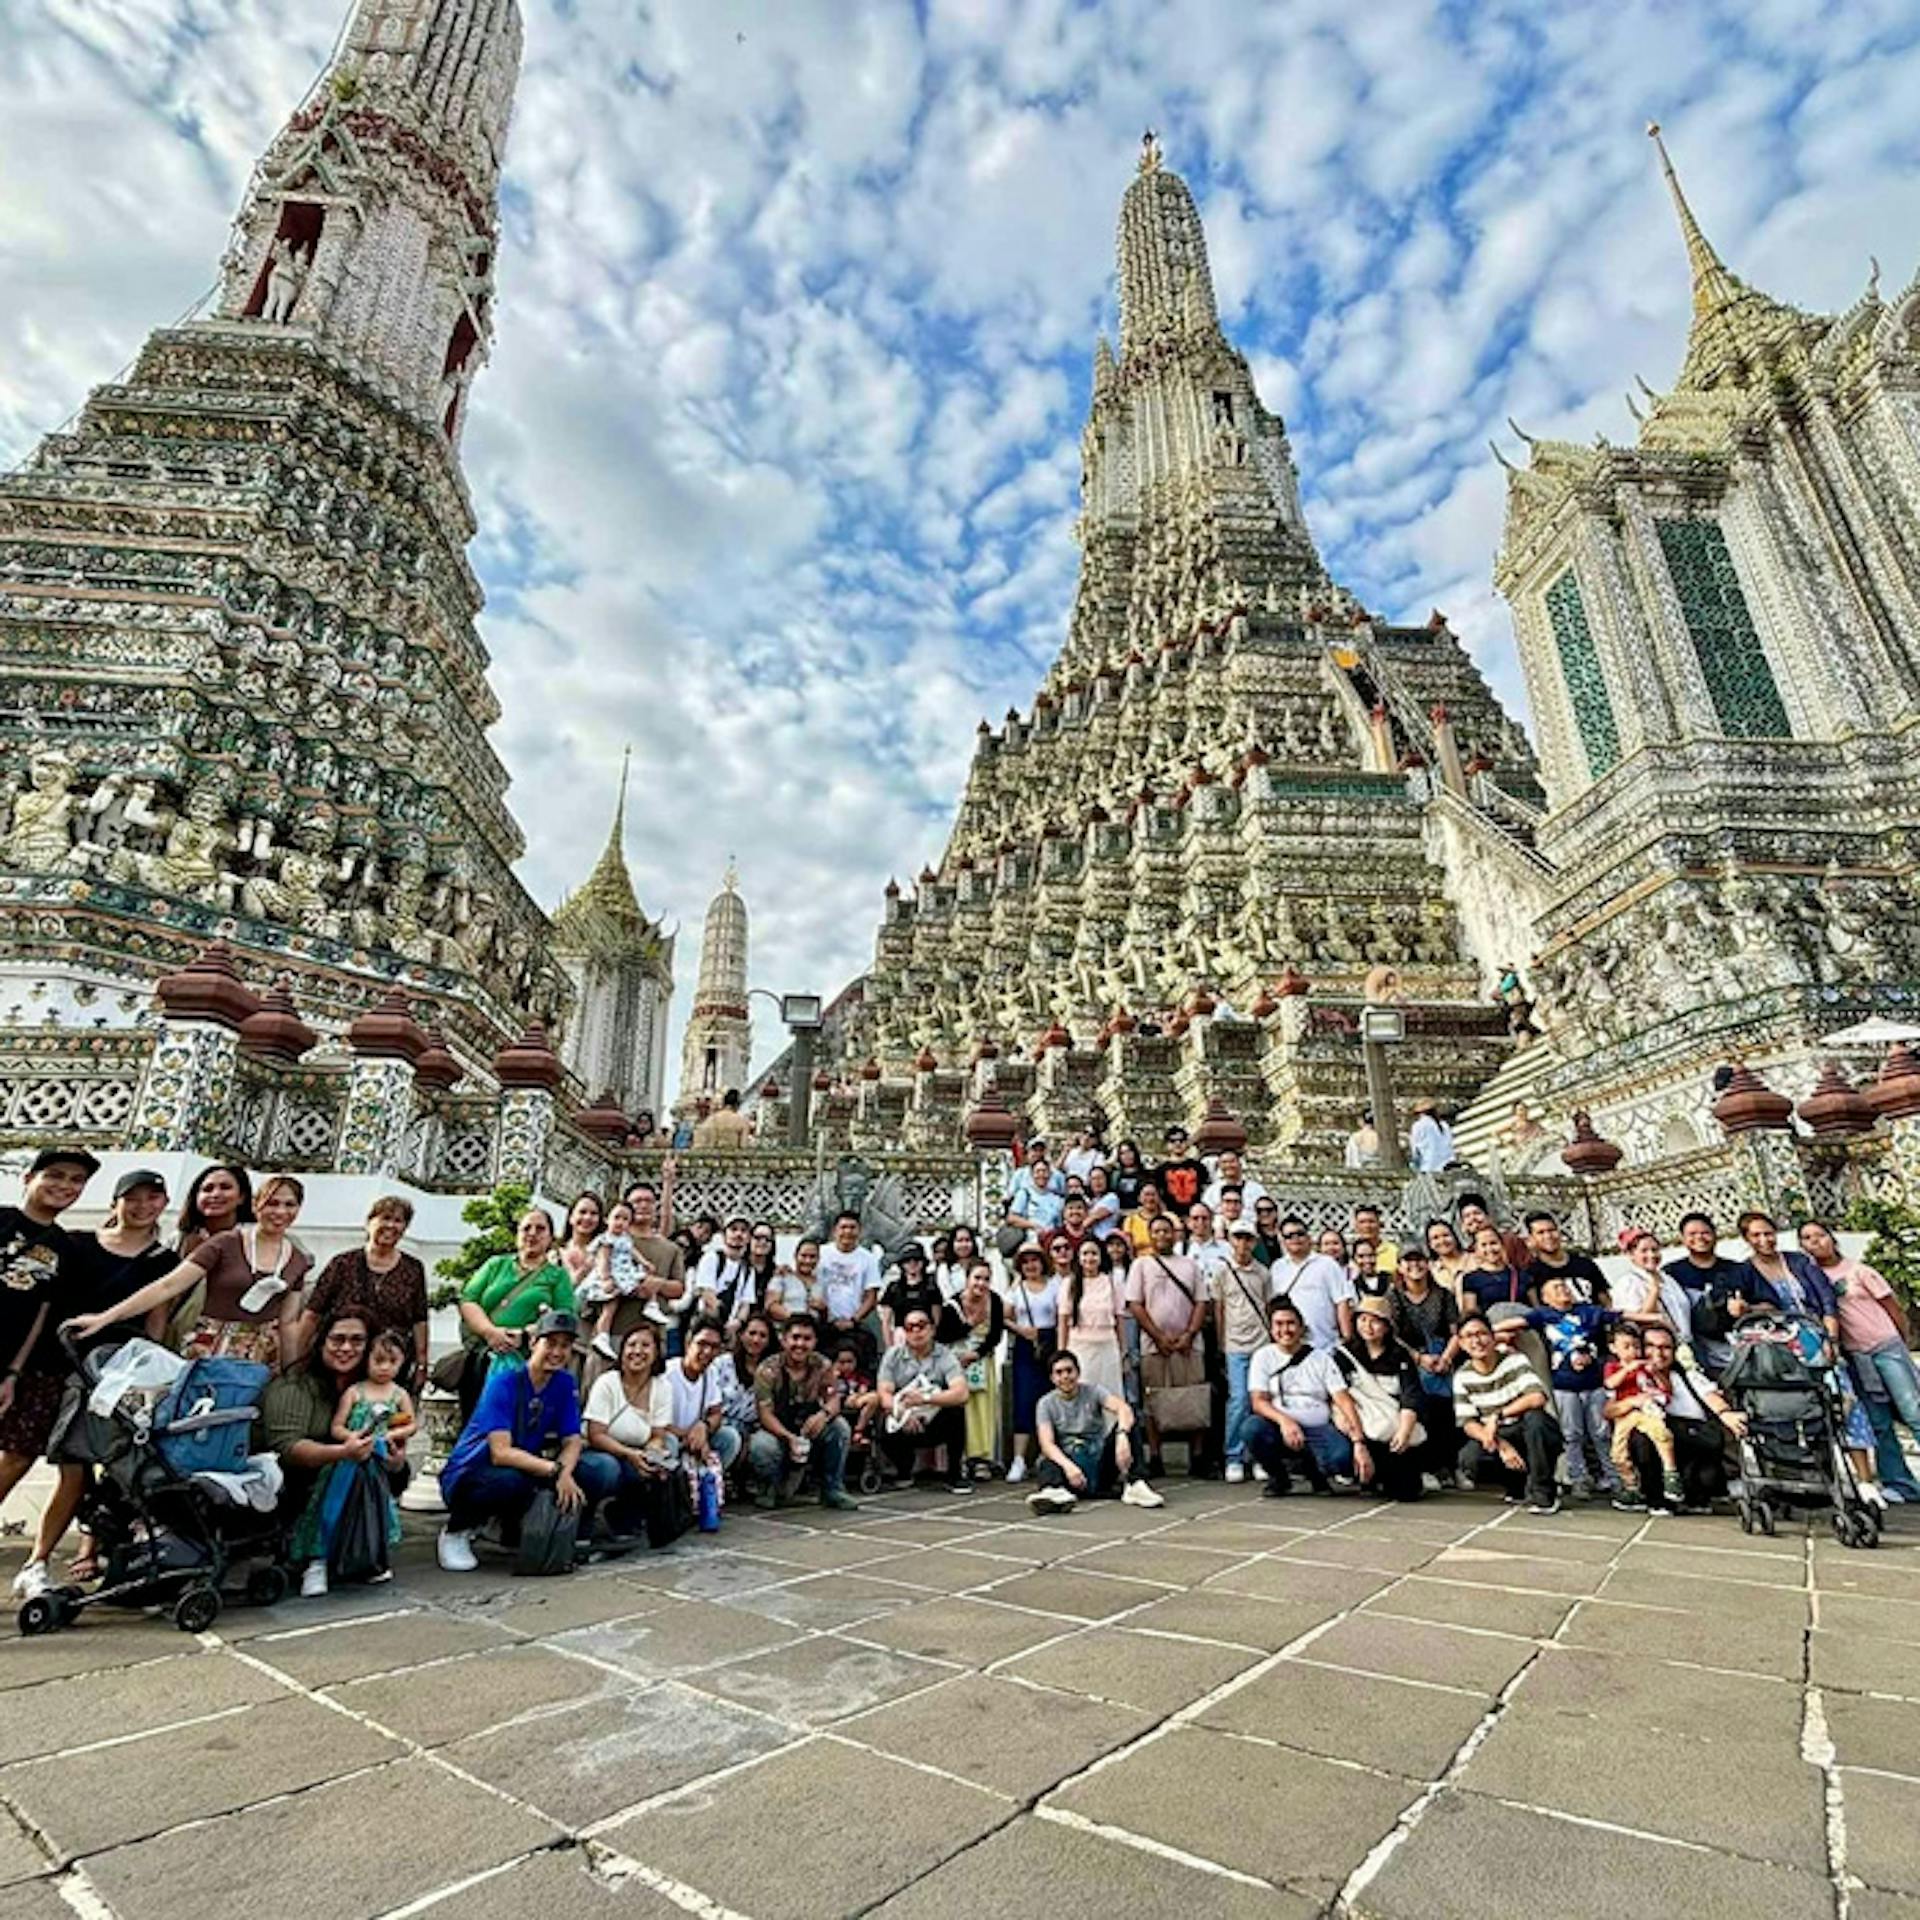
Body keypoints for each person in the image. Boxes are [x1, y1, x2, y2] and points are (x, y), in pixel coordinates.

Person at [18, 1166, 176, 1596]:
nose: (142, 1207)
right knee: (17, 1455)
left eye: (152, 1198)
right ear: (116, 1202)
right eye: (133, 1197)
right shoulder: (77, 1245)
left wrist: (145, 1378)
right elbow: (44, 1303)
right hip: (50, 1365)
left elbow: (155, 1322)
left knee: (78, 1469)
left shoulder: (163, 1260)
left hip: (109, 1376)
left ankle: (38, 1560)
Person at [66, 1171, 311, 1371]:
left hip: (257, 1357)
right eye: (272, 1203)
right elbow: (167, 1286)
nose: (280, 1212)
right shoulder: (225, 1243)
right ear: (256, 1205)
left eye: (289, 1205)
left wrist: (293, 1371)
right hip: (207, 1348)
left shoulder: (297, 1258)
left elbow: (288, 1323)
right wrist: (105, 1318)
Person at [437, 1310, 618, 1571]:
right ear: (534, 1343)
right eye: (551, 1343)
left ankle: (567, 1530)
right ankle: (457, 1530)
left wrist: (565, 1474)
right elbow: (500, 1452)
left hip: (524, 1468)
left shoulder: (564, 1383)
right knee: (511, 1480)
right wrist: (555, 1471)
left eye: (565, 1346)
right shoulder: (504, 1383)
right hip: (473, 1473)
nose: (557, 1352)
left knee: (600, 1468)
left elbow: (573, 1439)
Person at [0, 1148, 98, 1555]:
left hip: (13, 1363)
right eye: (55, 1175)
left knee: (17, 1454)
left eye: (76, 1181)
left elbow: (42, 1313)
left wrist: (12, 1373)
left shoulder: (65, 1247)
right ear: (29, 1178)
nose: (65, 1186)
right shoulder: (2, 1220)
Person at [1800, 1220, 1920, 1503]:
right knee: (1878, 1421)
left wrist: (1901, 1342)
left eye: (1820, 1235)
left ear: (1832, 1238)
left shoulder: (1859, 1271)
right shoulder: (1809, 1278)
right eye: (1807, 1238)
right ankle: (1899, 1482)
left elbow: (1892, 1308)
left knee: (1913, 1409)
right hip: (1854, 1355)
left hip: (1885, 1346)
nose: (1815, 1242)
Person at [290, 1329, 414, 1595]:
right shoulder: (355, 1392)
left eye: (392, 1362)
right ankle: (318, 1561)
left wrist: (390, 1436)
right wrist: (351, 1439)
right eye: (377, 1360)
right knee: (331, 1509)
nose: (384, 1368)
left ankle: (370, 1560)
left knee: (376, 1511)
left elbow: (409, 1424)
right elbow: (337, 1426)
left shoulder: (398, 1395)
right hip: (346, 1464)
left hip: (376, 1464)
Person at [451, 1206, 574, 1420]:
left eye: (540, 1229)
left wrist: (526, 1334)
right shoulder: (496, 1265)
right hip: (483, 1354)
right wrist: (491, 1332)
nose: (532, 1234)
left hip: (526, 1358)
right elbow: (469, 1299)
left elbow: (564, 1317)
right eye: (526, 1228)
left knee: (512, 1419)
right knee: (476, 1416)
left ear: (550, 1238)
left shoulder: (557, 1276)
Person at [1611, 1322, 1747, 1514]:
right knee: (1642, 1438)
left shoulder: (1686, 1375)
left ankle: (1694, 1495)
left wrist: (1726, 1414)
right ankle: (1655, 1497)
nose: (1658, 1353)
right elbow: (1609, 1409)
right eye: (1650, 1346)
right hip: (1656, 1439)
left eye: (1665, 1347)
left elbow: (1711, 1396)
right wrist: (1633, 1402)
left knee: (1706, 1481)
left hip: (1692, 1440)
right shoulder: (1630, 1378)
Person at [296, 1195, 430, 1385]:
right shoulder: (342, 1263)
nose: (391, 1226)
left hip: (389, 1364)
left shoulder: (413, 1269)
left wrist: (422, 1364)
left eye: (398, 1221)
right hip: (343, 1359)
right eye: (385, 1218)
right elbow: (313, 1313)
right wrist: (297, 1359)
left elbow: (419, 1319)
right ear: (369, 1223)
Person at [1244, 1300, 1370, 1494]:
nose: (1285, 1330)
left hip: (1318, 1428)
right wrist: (1285, 1421)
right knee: (1252, 1429)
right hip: (1280, 1427)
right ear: (1270, 1329)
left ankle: (1316, 1471)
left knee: (1342, 1459)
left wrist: (1358, 1441)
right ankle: (1279, 1477)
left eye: (1291, 1323)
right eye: (1279, 1324)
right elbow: (1258, 1401)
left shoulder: (1321, 1358)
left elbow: (1342, 1399)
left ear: (1302, 1327)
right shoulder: (1263, 1357)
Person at [583, 1323, 685, 1546]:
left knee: (669, 1447)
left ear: (656, 1353)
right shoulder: (607, 1382)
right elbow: (595, 1434)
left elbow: (658, 1434)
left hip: (637, 1452)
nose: (637, 1351)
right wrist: (629, 1454)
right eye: (631, 1345)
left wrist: (654, 1452)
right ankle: (585, 1518)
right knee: (607, 1469)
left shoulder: (662, 1387)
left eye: (646, 1345)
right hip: (602, 1451)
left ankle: (628, 1517)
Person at [1125, 1211, 1209, 1477]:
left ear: (1176, 1234)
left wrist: (1189, 1334)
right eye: (1157, 1231)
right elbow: (1135, 1304)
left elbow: (1201, 1302)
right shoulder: (1141, 1265)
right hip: (1154, 1344)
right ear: (1150, 1236)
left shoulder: (1189, 1265)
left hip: (1189, 1343)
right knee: (1154, 1399)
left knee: (1195, 1396)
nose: (1162, 1235)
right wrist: (1158, 1336)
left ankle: (1197, 1457)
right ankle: (1155, 1456)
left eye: (1167, 1230)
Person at [1026, 1350, 1162, 1514]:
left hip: (1099, 1463)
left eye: (1069, 1371)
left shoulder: (1094, 1392)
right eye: (1059, 1372)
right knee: (1047, 1460)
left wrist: (1122, 1435)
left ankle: (1135, 1484)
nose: (1065, 1377)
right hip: (1070, 1467)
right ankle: (1054, 1492)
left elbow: (1123, 1408)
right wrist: (1069, 1467)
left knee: (1130, 1418)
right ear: (1052, 1378)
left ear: (1078, 1372)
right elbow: (1047, 1443)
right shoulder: (1045, 1404)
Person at [1452, 1312, 1562, 1513]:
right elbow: (1468, 1422)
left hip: (1523, 1428)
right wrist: (1500, 1445)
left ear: (1492, 1336)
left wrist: (1497, 1416)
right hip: (1497, 1435)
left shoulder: (1515, 1360)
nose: (1477, 1341)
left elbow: (1537, 1397)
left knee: (1537, 1420)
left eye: (1482, 1333)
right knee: (1469, 1458)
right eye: (1469, 1336)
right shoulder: (1462, 1376)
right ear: (1460, 1343)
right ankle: (1515, 1484)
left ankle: (1543, 1492)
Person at [1523, 1275, 1621, 1501]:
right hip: (1564, 1386)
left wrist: (1655, 1318)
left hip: (1594, 1383)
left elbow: (1621, 1315)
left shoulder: (1588, 1311)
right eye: (1556, 1288)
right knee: (1571, 1434)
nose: (1563, 1290)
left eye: (1565, 1286)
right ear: (1545, 1298)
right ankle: (1579, 1478)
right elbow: (1516, 1323)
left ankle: (1615, 1477)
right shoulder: (1543, 1315)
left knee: (1602, 1433)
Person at [749, 1314, 858, 1510]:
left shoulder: (823, 1365)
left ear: (815, 1341)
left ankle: (833, 1488)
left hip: (809, 1429)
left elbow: (834, 1399)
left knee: (840, 1428)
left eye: (807, 1339)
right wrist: (788, 1437)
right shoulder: (767, 1370)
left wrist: (823, 1415)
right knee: (761, 1445)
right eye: (795, 1338)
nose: (800, 1344)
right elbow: (765, 1414)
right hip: (778, 1431)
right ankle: (769, 1488)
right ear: (784, 1340)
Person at [1389, 1247, 1463, 1487]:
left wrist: (1446, 1358)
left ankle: (1451, 1467)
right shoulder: (1395, 1296)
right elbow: (1392, 1334)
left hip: (1442, 1357)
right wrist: (1418, 1358)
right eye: (1408, 1261)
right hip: (1409, 1360)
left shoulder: (1443, 1295)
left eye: (1419, 1260)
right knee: (1421, 1409)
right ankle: (1428, 1467)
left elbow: (1456, 1331)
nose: (1414, 1266)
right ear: (1399, 1266)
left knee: (1447, 1411)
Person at [875, 1308, 971, 1493]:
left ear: (932, 1329)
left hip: (934, 1417)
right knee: (883, 1420)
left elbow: (961, 1392)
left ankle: (955, 1474)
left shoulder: (945, 1355)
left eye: (921, 1326)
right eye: (910, 1327)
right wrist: (901, 1413)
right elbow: (884, 1394)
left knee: (957, 1411)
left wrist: (925, 1399)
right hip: (903, 1417)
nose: (916, 1332)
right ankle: (904, 1469)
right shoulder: (893, 1356)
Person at [1342, 1298, 1427, 1500]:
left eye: (1375, 1321)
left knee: (1406, 1491)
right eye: (1362, 1319)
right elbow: (1338, 1398)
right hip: (1360, 1428)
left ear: (1387, 1326)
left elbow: (1410, 1396)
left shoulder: (1400, 1356)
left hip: (1393, 1429)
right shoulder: (1344, 1356)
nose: (1368, 1327)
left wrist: (1404, 1432)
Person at [1212, 1221, 1272, 1484]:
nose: (1243, 1244)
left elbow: (1269, 1307)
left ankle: (1258, 1455)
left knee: (1260, 1400)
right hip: (1235, 1344)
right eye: (1238, 1238)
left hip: (1260, 1342)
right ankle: (1233, 1456)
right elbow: (1219, 1309)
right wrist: (1221, 1343)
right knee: (1238, 1401)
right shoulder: (1222, 1271)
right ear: (1230, 1240)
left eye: (1248, 1238)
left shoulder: (1263, 1273)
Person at [1601, 1322, 1685, 1510]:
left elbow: (1666, 1390)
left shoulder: (1645, 1369)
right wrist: (1627, 1370)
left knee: (1660, 1434)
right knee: (1618, 1453)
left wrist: (1655, 1374)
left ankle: (1671, 1473)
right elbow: (1610, 1384)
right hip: (1626, 1414)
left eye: (1637, 1346)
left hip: (1645, 1411)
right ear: (1614, 1348)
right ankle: (1631, 1487)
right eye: (1627, 1347)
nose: (1634, 1352)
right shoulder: (1613, 1367)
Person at [938, 1258, 1005, 1478]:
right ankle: (961, 1458)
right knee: (961, 1408)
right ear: (967, 1279)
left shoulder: (994, 1301)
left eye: (986, 1279)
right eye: (977, 1277)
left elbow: (996, 1334)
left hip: (982, 1360)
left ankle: (982, 1458)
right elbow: (944, 1335)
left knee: (983, 1408)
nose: (981, 1283)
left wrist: (977, 1353)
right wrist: (969, 1325)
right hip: (957, 1363)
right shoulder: (953, 1305)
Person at [1005, 1243, 1062, 1484]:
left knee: (1050, 1398)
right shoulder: (1016, 1289)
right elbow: (1005, 1317)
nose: (1031, 1265)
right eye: (1026, 1261)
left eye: (1035, 1260)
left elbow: (1062, 1315)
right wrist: (1022, 1330)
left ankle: (1045, 1455)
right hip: (1026, 1347)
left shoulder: (1055, 1285)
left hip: (1050, 1344)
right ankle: (1019, 1459)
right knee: (1024, 1399)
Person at [1664, 1211, 1747, 1371]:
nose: (1700, 1238)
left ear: (1715, 1235)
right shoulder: (1671, 1273)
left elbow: (1762, 1303)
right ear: (1682, 1239)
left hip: (1736, 1349)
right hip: (1693, 1351)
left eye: (1705, 1233)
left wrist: (1746, 1308)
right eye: (1692, 1234)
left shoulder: (1737, 1269)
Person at [663, 1319, 743, 1475]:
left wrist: (704, 1427)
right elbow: (653, 1421)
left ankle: (705, 1482)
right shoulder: (667, 1374)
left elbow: (716, 1413)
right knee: (669, 1442)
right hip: (670, 1437)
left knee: (730, 1437)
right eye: (702, 1344)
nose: (707, 1352)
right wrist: (692, 1436)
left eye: (714, 1347)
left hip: (696, 1439)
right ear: (688, 1342)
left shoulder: (710, 1373)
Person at [1268, 1216, 1356, 1349]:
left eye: (1300, 1234)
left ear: (1308, 1237)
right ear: (1282, 1240)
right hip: (1289, 1344)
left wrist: (1347, 1338)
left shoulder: (1327, 1264)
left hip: (1325, 1343)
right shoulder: (1277, 1268)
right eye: (1289, 1236)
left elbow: (1341, 1302)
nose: (1295, 1239)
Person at [812, 1211, 882, 1368]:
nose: (848, 1232)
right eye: (843, 1227)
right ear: (835, 1230)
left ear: (859, 1231)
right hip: (823, 1322)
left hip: (853, 1324)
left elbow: (871, 1297)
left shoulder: (868, 1259)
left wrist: (853, 1320)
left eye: (852, 1227)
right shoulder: (821, 1253)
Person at [1062, 1232, 1126, 1402]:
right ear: (1078, 1257)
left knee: (1110, 1395)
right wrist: (1062, 1354)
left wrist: (1122, 1350)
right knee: (1083, 1396)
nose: (1089, 1258)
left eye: (1094, 1253)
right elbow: (1063, 1322)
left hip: (1107, 1347)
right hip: (1080, 1349)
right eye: (1085, 1253)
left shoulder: (1112, 1282)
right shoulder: (1070, 1284)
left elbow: (1119, 1319)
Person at [1611, 1226, 1696, 1334]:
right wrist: (1654, 1292)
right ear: (1631, 1254)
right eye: (1644, 1251)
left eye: (1655, 1250)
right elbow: (1635, 1322)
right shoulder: (1628, 1283)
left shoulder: (1668, 1279)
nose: (1651, 1255)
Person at [709, 1311, 773, 1449]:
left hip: (750, 1433)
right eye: (752, 1333)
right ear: (742, 1335)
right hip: (718, 1427)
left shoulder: (771, 1373)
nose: (756, 1340)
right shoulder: (722, 1363)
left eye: (763, 1336)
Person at [1524, 1212, 1608, 1305]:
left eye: (1552, 1230)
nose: (1548, 1236)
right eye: (1541, 1232)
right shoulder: (1530, 1272)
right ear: (1531, 1239)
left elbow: (1605, 1301)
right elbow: (1536, 1309)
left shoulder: (1585, 1264)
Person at [1457, 1223, 1534, 1317]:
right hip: (1493, 1329)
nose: (1490, 1249)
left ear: (1502, 1245)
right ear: (1476, 1250)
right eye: (1483, 1245)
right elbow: (1471, 1314)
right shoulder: (1471, 1279)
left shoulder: (1522, 1275)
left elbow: (1535, 1308)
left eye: (1493, 1243)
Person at [175, 1163, 252, 1257]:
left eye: (225, 1187)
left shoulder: (253, 1239)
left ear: (241, 1197)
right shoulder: (178, 1240)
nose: (215, 1194)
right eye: (207, 1189)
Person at [691, 1217, 753, 1327]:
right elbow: (707, 1294)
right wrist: (721, 1322)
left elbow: (745, 1304)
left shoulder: (748, 1269)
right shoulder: (711, 1258)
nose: (738, 1234)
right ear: (724, 1235)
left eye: (743, 1230)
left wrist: (737, 1323)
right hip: (706, 1323)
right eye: (733, 1229)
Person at [879, 1244, 942, 1347]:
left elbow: (936, 1320)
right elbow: (886, 1322)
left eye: (916, 1260)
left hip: (925, 1336)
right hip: (901, 1337)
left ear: (923, 1262)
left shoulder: (931, 1287)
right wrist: (890, 1347)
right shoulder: (893, 1288)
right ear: (902, 1264)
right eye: (907, 1261)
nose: (912, 1264)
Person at [1151, 1125, 1208, 1215]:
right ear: (1167, 1145)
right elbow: (1158, 1196)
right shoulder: (1160, 1170)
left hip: (1196, 1216)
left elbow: (1205, 1191)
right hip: (1171, 1217)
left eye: (1181, 1140)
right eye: (1173, 1141)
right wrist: (1167, 1214)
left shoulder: (1199, 1167)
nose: (1178, 1143)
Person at [1203, 1150, 1267, 1214]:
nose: (1228, 1165)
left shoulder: (1256, 1189)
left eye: (1232, 1161)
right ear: (1219, 1166)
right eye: (1224, 1162)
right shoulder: (1212, 1191)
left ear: (1240, 1164)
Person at [1423, 1217, 1471, 1303]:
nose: (1442, 1241)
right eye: (1435, 1238)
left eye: (1446, 1235)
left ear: (1454, 1237)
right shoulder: (1429, 1270)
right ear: (1430, 1244)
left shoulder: (1474, 1259)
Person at [933, 1224, 982, 1303]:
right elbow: (948, 1296)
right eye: (959, 1240)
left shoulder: (981, 1266)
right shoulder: (944, 1269)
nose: (964, 1245)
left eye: (967, 1240)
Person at [1408, 1099, 1454, 1172]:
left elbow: (1415, 1151)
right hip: (1448, 1163)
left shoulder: (1418, 1126)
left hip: (1430, 1167)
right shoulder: (1445, 1125)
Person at [1109, 1140, 1150, 1213]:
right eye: (1122, 1153)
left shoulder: (1145, 1174)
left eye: (1129, 1152)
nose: (1126, 1156)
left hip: (1140, 1214)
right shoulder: (1115, 1175)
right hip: (1119, 1214)